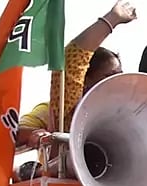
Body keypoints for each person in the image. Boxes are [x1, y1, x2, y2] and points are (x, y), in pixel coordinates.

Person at [16, 2, 135, 149]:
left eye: (119, 76)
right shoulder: (61, 109)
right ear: (84, 80)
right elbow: (72, 60)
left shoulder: (126, 113)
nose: (117, 82)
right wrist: (112, 19)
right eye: (109, 76)